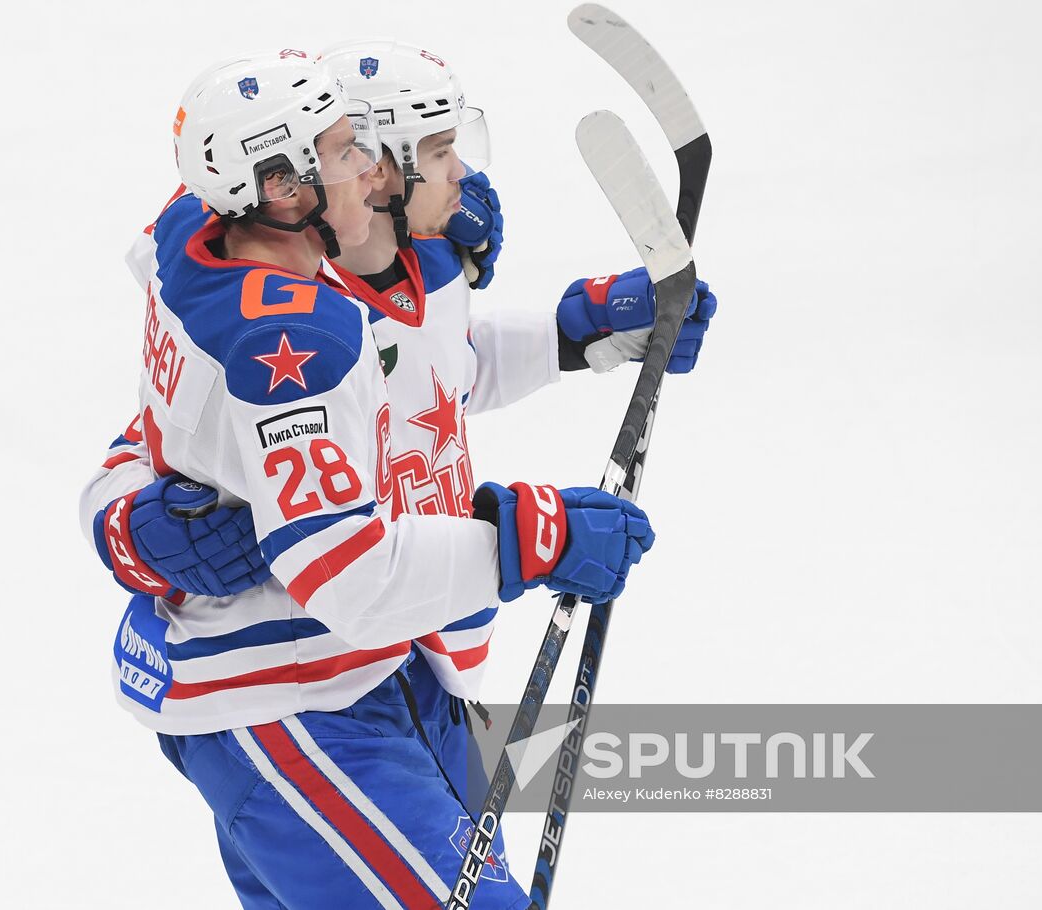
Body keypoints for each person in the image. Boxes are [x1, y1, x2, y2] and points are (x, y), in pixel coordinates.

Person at [84, 48, 657, 909]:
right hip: (293, 691)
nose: (373, 172)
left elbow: (418, 376)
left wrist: (578, 334)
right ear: (283, 186)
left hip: (376, 673)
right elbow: (345, 571)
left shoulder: (230, 243)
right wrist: (533, 539)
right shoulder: (300, 335)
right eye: (356, 151)